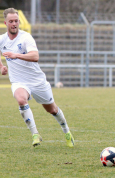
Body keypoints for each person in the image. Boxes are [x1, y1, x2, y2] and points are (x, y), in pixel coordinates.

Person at [0, 8, 75, 147]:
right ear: (6, 23)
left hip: (36, 81)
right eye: (11, 21)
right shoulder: (2, 40)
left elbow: (35, 57)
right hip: (19, 81)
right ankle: (35, 134)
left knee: (52, 109)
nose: (14, 24)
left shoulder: (26, 37)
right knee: (21, 100)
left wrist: (16, 55)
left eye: (16, 21)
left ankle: (67, 132)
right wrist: (1, 67)